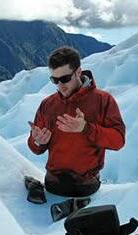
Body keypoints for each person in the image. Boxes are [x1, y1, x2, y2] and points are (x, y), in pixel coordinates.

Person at [27, 46, 125, 200]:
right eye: (55, 80)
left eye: (65, 79)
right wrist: (38, 141)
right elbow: (36, 148)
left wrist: (86, 128)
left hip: (85, 190)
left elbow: (118, 140)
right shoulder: (48, 104)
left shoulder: (103, 100)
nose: (60, 85)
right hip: (52, 187)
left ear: (78, 72)